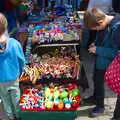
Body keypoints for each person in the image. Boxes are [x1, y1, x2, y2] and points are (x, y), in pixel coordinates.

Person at [83, 8, 120, 117]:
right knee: (96, 79)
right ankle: (96, 98)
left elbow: (116, 53)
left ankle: (100, 107)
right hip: (101, 60)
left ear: (100, 22)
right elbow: (100, 37)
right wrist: (94, 44)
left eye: (96, 28)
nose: (96, 30)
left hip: (110, 63)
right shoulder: (105, 22)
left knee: (99, 82)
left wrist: (97, 50)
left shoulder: (117, 29)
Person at [0, 13, 25, 120]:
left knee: (5, 98)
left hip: (1, 79)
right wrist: (21, 70)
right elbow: (21, 60)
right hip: (14, 77)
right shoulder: (14, 44)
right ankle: (18, 115)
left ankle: (9, 116)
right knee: (16, 97)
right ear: (6, 26)